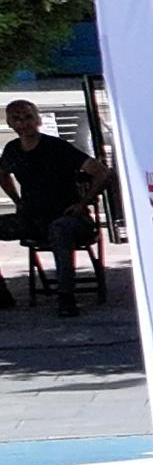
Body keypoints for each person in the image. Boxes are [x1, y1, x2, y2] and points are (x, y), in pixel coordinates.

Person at [0, 101, 96, 317]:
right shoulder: (12, 149)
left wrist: (83, 203)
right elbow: (3, 174)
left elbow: (101, 172)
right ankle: (2, 294)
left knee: (59, 230)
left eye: (27, 117)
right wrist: (17, 200)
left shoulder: (56, 147)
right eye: (16, 118)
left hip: (69, 219)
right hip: (33, 219)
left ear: (38, 119)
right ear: (10, 123)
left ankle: (66, 297)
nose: (23, 123)